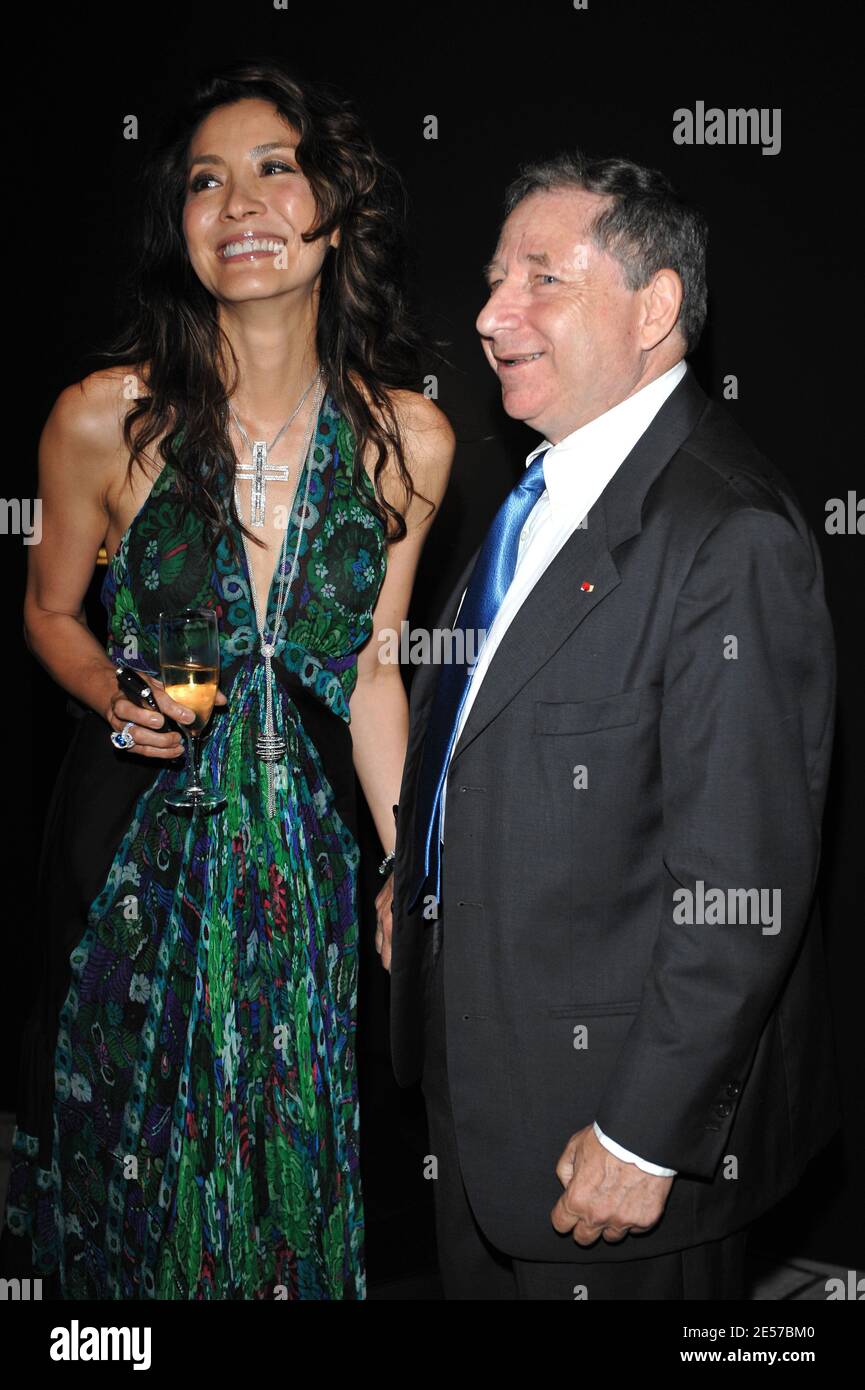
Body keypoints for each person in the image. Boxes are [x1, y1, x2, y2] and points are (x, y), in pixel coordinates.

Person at [0, 59, 453, 1300]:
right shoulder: (103, 418)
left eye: (274, 169)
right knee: (129, 1164)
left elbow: (372, 665)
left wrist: (408, 863)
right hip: (136, 850)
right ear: (179, 223)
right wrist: (111, 695)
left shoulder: (408, 437)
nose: (238, 203)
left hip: (306, 864)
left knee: (289, 1159)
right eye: (206, 180)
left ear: (338, 214)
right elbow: (48, 612)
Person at [378, 152, 840, 1300]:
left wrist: (645, 1135)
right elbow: (486, 742)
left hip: (608, 1150)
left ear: (655, 307)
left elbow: (744, 888)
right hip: (487, 1110)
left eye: (542, 278)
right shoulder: (542, 494)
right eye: (493, 280)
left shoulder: (727, 536)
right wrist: (415, 860)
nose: (490, 314)